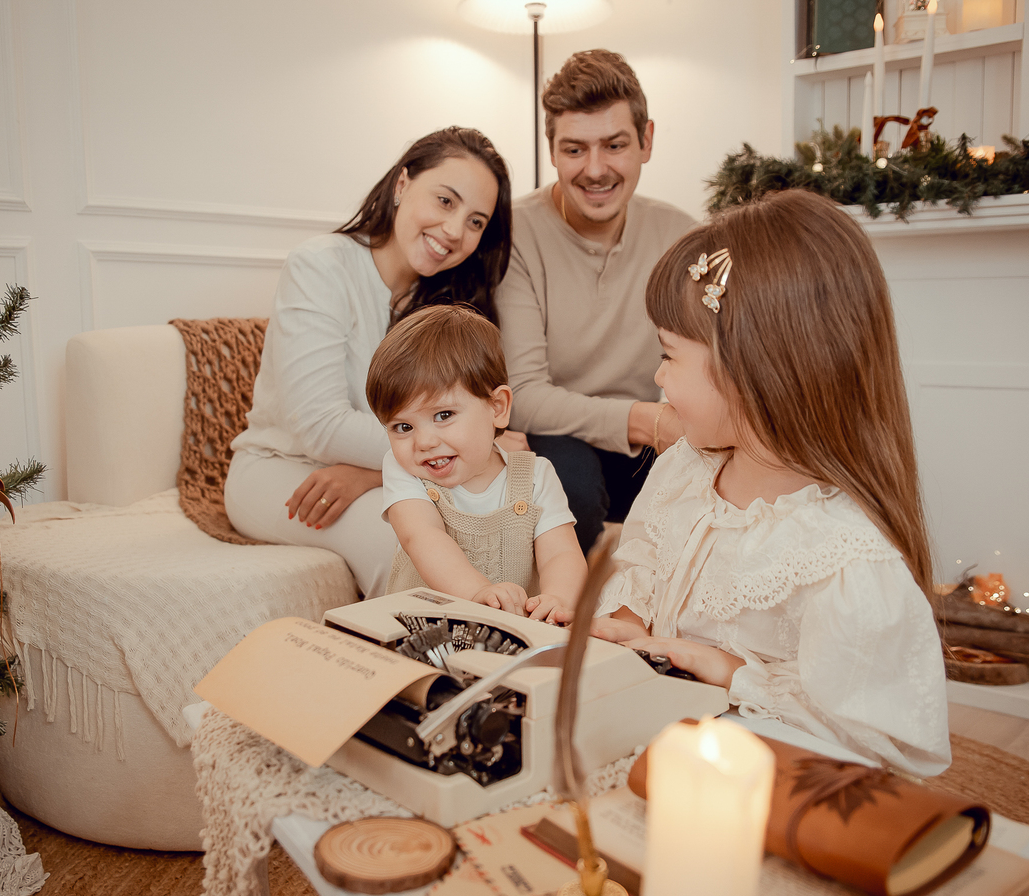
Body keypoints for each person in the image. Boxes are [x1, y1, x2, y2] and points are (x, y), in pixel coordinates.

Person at [591, 190, 952, 777]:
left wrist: (733, 673)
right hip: (648, 732)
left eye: (668, 356)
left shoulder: (844, 559)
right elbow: (643, 561)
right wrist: (627, 624)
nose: (657, 377)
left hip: (753, 780)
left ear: (751, 369)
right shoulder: (686, 467)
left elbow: (880, 751)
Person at [225, 128, 513, 598]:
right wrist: (412, 461)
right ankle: (425, 672)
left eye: (476, 221)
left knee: (500, 525)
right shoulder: (320, 267)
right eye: (445, 201)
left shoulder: (451, 304)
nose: (456, 230)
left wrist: (374, 473)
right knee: (406, 546)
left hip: (383, 470)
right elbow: (319, 425)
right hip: (283, 470)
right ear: (402, 185)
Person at [497, 49, 696, 553]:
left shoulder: (682, 235)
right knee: (569, 489)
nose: (595, 169)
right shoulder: (515, 235)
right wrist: (645, 421)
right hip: (553, 435)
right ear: (553, 151)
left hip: (648, 437)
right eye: (574, 150)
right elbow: (524, 393)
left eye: (614, 145)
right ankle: (571, 620)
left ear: (646, 140)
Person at [366, 305, 586, 622]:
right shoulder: (404, 472)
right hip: (421, 631)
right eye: (403, 427)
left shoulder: (536, 476)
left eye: (443, 415)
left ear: (497, 407)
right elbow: (423, 537)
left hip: (513, 634)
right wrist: (476, 593)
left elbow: (561, 553)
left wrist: (558, 599)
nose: (424, 442)